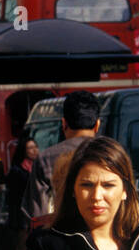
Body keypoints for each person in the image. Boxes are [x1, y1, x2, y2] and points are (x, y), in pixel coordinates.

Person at [20, 90, 100, 228]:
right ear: (97, 125)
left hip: (59, 238)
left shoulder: (45, 159)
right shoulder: (111, 155)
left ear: (64, 124)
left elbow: (38, 213)